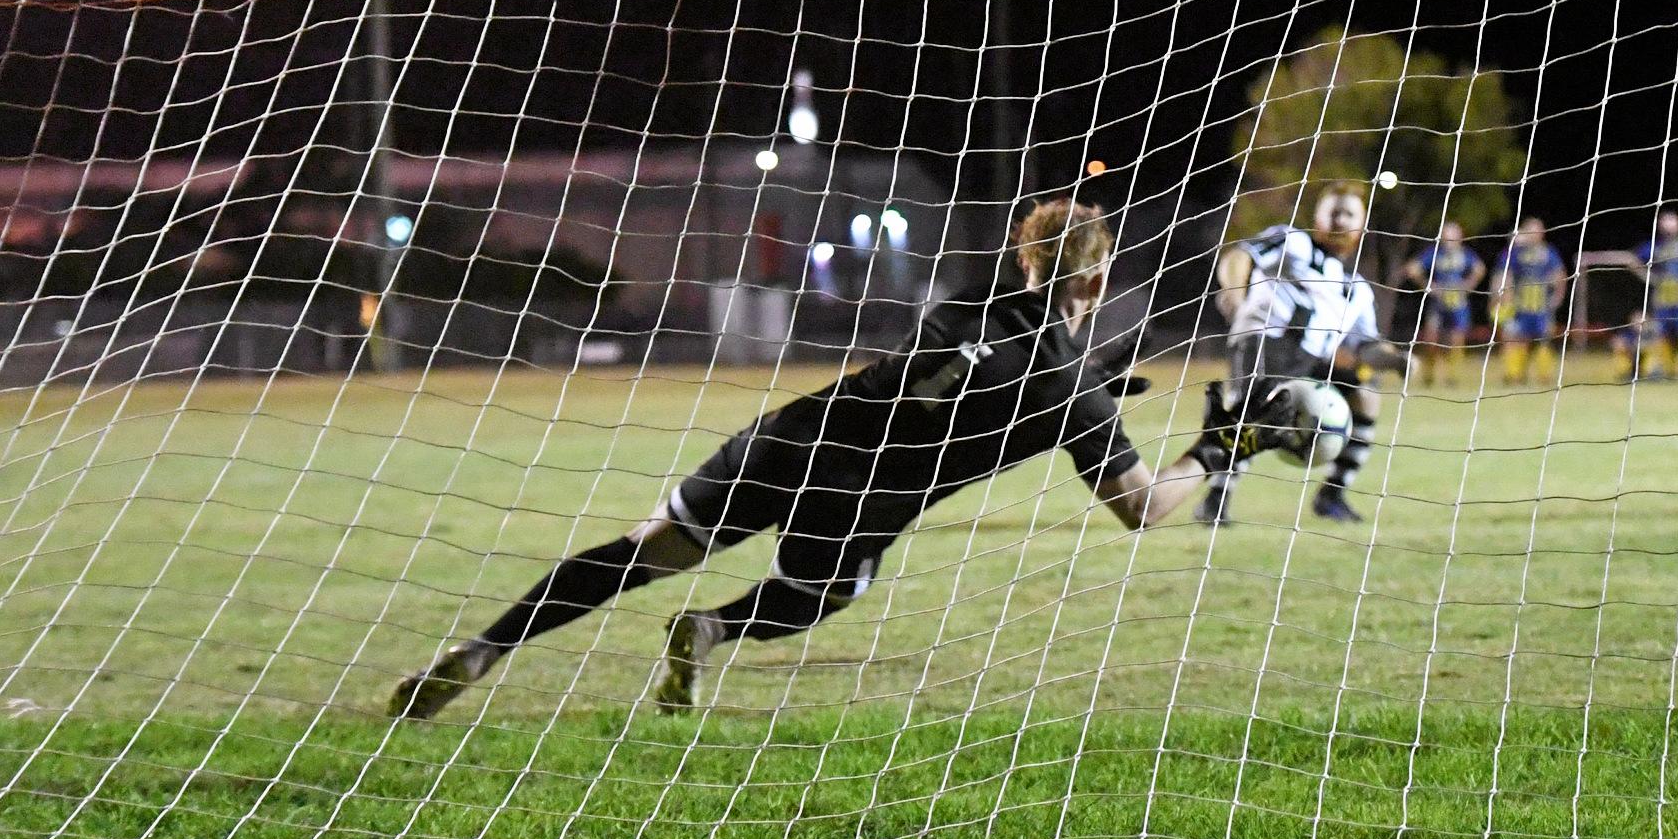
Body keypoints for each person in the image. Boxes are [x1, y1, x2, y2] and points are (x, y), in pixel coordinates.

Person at [390, 200, 1315, 719]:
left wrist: (1101, 372)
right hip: (866, 494)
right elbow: (1140, 505)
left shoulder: (967, 303)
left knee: (645, 548)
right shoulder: (1066, 385)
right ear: (1096, 278)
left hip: (793, 435)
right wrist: (1223, 442)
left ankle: (481, 650)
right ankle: (715, 631)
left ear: (1024, 258)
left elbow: (996, 368)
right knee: (832, 589)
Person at [1204, 180, 1409, 525]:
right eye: (1334, 212)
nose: (1341, 220)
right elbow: (1239, 256)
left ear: (1362, 225)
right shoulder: (1293, 240)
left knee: (1366, 394)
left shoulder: (1357, 289)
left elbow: (1366, 346)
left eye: (1349, 214)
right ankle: (1215, 499)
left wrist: (1397, 359)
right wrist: (1236, 295)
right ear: (1318, 216)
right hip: (1265, 340)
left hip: (1311, 359)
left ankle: (1333, 494)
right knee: (1251, 412)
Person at [1398, 220, 1485, 388]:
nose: (1449, 239)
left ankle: (1453, 377)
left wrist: (1467, 286)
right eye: (1446, 235)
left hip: (1458, 303)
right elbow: (1412, 268)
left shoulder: (1465, 254)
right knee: (1431, 339)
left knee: (1456, 339)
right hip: (1438, 304)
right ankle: (1428, 375)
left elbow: (1479, 269)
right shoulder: (1435, 253)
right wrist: (1428, 285)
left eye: (1452, 235)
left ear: (1460, 237)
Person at [1622, 211, 1678, 379]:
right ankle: (1663, 369)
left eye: (1672, 221)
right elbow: (1632, 261)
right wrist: (1651, 279)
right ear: (1659, 225)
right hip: (1661, 298)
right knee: (1660, 333)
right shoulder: (1654, 246)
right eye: (1665, 221)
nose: (1669, 225)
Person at [1492, 216, 1568, 384]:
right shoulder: (1515, 253)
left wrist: (1558, 297)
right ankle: (1514, 376)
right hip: (1519, 306)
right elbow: (1505, 275)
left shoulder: (1549, 252)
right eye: (1531, 230)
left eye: (1538, 230)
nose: (1535, 234)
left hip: (1542, 306)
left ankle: (1544, 376)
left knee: (1542, 341)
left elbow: (1559, 275)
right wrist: (1503, 298)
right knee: (1514, 338)